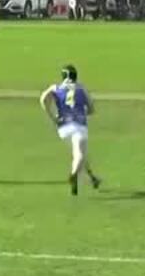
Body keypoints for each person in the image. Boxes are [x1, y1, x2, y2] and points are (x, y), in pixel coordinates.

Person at [39, 65, 102, 196]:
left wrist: (52, 116)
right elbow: (91, 109)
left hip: (63, 127)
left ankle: (91, 177)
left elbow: (43, 99)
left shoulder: (55, 87)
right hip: (78, 124)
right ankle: (74, 175)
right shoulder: (81, 88)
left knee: (79, 152)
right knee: (80, 154)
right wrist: (82, 111)